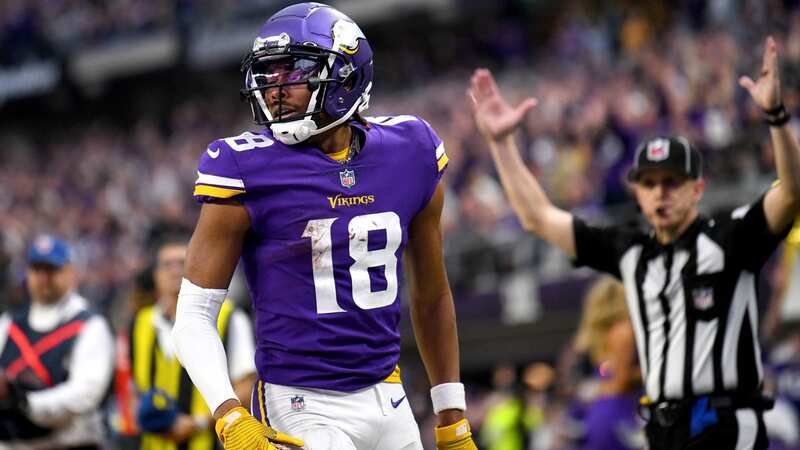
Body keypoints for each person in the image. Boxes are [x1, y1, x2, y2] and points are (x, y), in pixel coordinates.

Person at [468, 36, 800, 450]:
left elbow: (791, 192)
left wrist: (775, 115)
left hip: (726, 423)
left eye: (672, 183)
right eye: (650, 184)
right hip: (663, 426)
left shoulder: (730, 237)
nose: (661, 193)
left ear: (698, 189)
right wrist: (501, 144)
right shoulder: (631, 252)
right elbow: (538, 216)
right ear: (637, 193)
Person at [171, 3, 478, 450]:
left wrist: (452, 416)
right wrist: (228, 415)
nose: (275, 89)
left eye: (292, 72)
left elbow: (431, 294)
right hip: (300, 403)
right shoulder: (243, 165)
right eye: (268, 74)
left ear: (348, 75)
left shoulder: (411, 150)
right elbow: (194, 317)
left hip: (389, 397)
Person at [128, 237, 256, 449]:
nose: (174, 271)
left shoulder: (229, 317)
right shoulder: (140, 323)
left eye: (182, 263)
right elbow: (135, 389)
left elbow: (245, 386)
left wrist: (198, 422)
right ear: (155, 274)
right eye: (167, 264)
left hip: (208, 442)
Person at [0, 235, 114, 449]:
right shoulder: (9, 324)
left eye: (51, 270)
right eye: (37, 269)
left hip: (70, 444)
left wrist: (24, 401)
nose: (44, 278)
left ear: (71, 273)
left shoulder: (90, 325)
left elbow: (85, 394)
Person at [570, 277, 643, 450]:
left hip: (600, 412)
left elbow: (604, 375)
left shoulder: (597, 334)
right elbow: (622, 379)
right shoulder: (624, 330)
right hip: (620, 413)